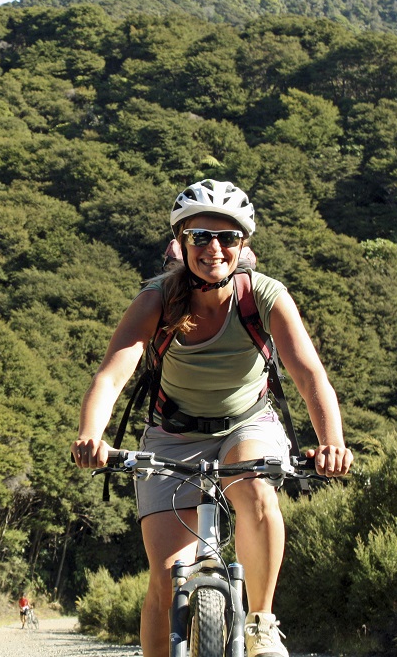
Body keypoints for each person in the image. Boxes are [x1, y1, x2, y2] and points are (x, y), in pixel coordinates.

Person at [70, 180, 353, 657]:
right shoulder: (156, 300)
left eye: (227, 237)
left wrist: (332, 443)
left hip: (247, 424)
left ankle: (261, 622)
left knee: (256, 491)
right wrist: (90, 438)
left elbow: (310, 376)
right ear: (181, 242)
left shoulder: (264, 296)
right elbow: (112, 374)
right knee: (165, 580)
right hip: (171, 435)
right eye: (200, 237)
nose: (213, 248)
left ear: (243, 245)